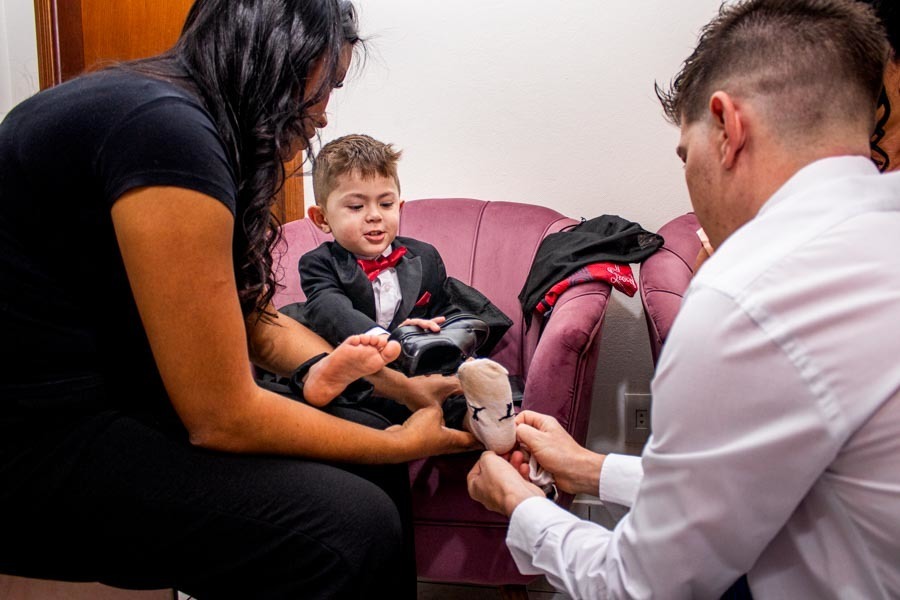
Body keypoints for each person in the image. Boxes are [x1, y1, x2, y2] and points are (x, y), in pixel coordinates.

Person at [0, 0, 476, 598]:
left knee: (359, 436)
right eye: (325, 85)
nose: (324, 114)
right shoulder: (164, 129)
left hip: (100, 406)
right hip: (32, 443)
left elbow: (249, 319)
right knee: (352, 526)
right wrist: (395, 444)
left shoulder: (167, 108)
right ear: (280, 57)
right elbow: (220, 417)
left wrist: (399, 391)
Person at [467, 0, 900, 598]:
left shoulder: (749, 292)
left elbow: (644, 585)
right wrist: (591, 467)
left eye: (685, 153)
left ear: (727, 127)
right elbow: (751, 475)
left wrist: (519, 507)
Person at [298, 134, 517, 451]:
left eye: (385, 204)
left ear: (399, 207)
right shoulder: (319, 263)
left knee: (450, 393)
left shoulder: (424, 256)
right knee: (350, 398)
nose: (374, 215)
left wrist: (435, 332)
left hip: (416, 367)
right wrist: (381, 338)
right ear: (322, 218)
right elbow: (328, 307)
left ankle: (489, 425)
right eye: (356, 206)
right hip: (360, 375)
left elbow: (440, 306)